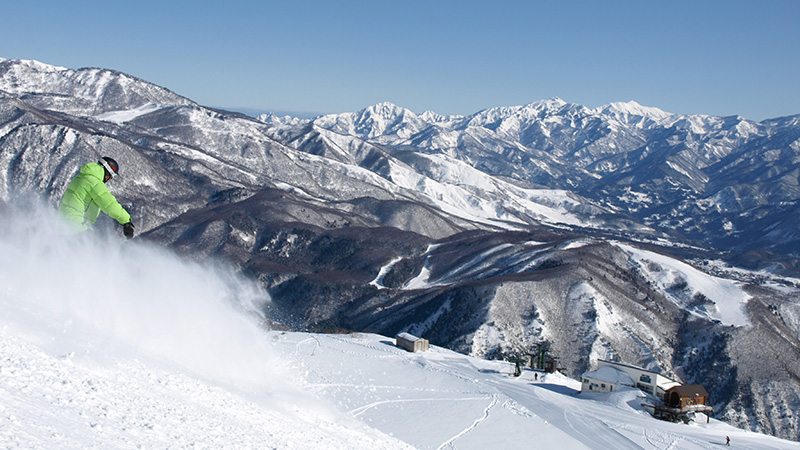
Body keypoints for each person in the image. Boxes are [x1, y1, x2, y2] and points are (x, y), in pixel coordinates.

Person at [59, 156, 134, 238]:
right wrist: (126, 221)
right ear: (108, 172)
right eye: (112, 176)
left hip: (61, 223)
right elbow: (109, 204)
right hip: (78, 226)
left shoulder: (80, 177)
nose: (110, 179)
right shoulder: (95, 183)